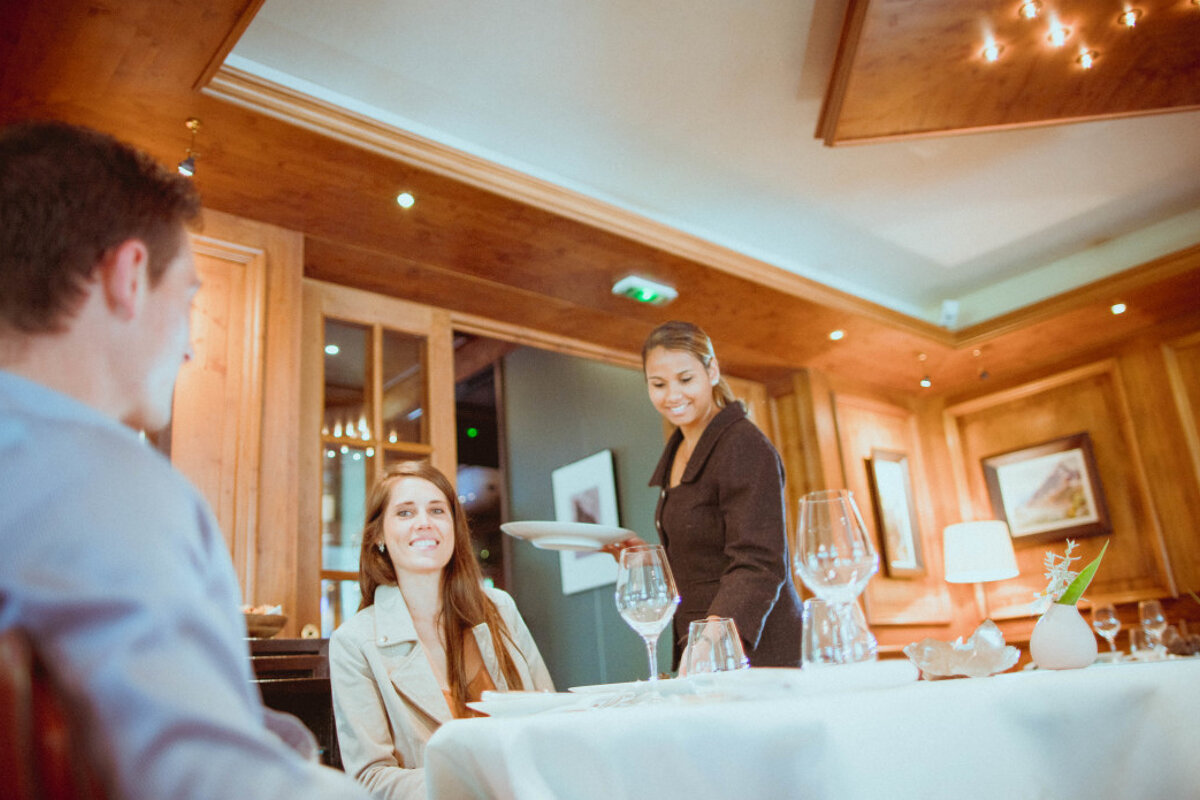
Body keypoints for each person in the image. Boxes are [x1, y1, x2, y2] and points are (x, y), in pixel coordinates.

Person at [0, 121, 371, 799]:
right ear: (129, 275)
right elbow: (208, 783)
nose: (193, 347)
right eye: (191, 298)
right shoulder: (100, 481)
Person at [330, 460, 553, 800]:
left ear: (453, 527)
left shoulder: (500, 608)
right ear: (378, 536)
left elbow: (550, 718)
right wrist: (475, 785)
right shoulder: (354, 642)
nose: (424, 523)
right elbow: (370, 779)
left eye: (437, 511)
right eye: (405, 513)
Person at [607, 320, 803, 669]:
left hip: (751, 648)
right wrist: (652, 560)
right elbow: (705, 554)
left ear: (711, 370)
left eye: (685, 379)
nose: (672, 396)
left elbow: (758, 560)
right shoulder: (681, 447)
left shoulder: (743, 445)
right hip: (702, 642)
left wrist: (712, 640)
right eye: (658, 384)